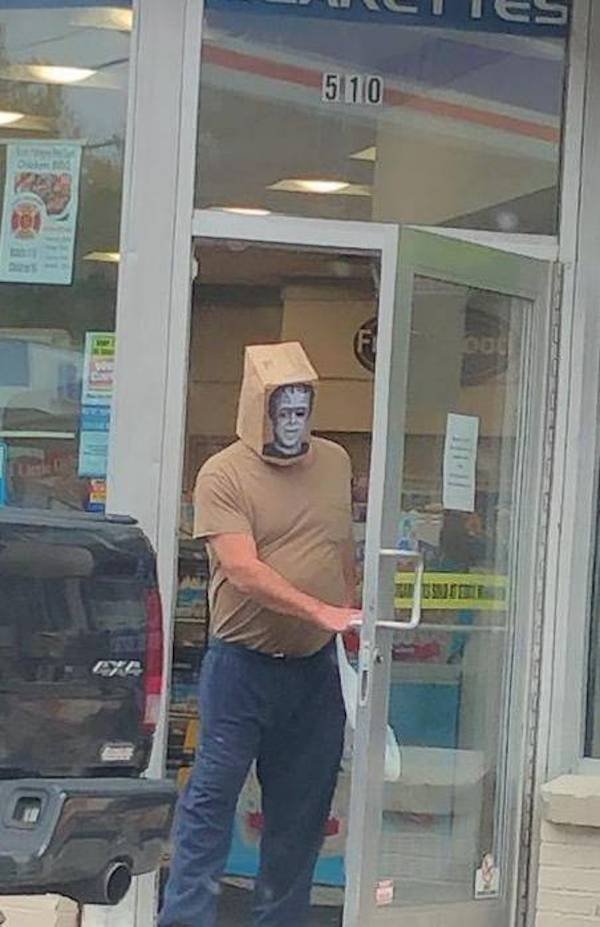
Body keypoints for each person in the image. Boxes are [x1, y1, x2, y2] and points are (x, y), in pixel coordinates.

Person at [159, 343, 360, 927]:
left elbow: (339, 547)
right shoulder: (223, 473)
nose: (294, 423)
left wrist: (349, 613)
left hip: (315, 668)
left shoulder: (335, 462)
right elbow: (241, 569)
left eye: (302, 411)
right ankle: (186, 920)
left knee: (302, 812)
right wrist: (319, 610)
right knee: (211, 801)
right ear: (258, 412)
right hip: (243, 666)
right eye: (283, 411)